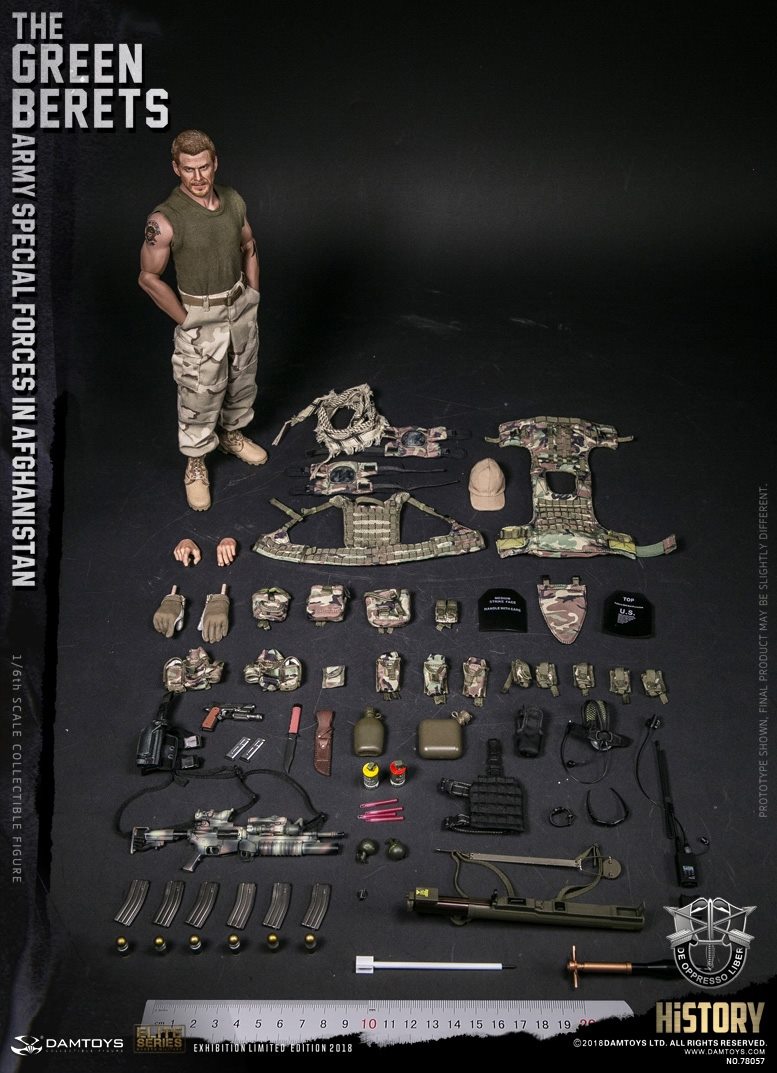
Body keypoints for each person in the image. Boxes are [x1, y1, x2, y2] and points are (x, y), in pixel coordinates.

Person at [139, 129, 267, 510]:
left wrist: (253, 294)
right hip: (200, 313)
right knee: (200, 391)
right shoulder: (165, 219)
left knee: (241, 376)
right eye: (188, 169)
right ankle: (196, 462)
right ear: (175, 169)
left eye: (204, 167)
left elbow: (249, 244)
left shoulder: (233, 201)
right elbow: (148, 277)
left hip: (239, 304)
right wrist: (186, 319)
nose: (197, 177)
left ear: (215, 164)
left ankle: (231, 434)